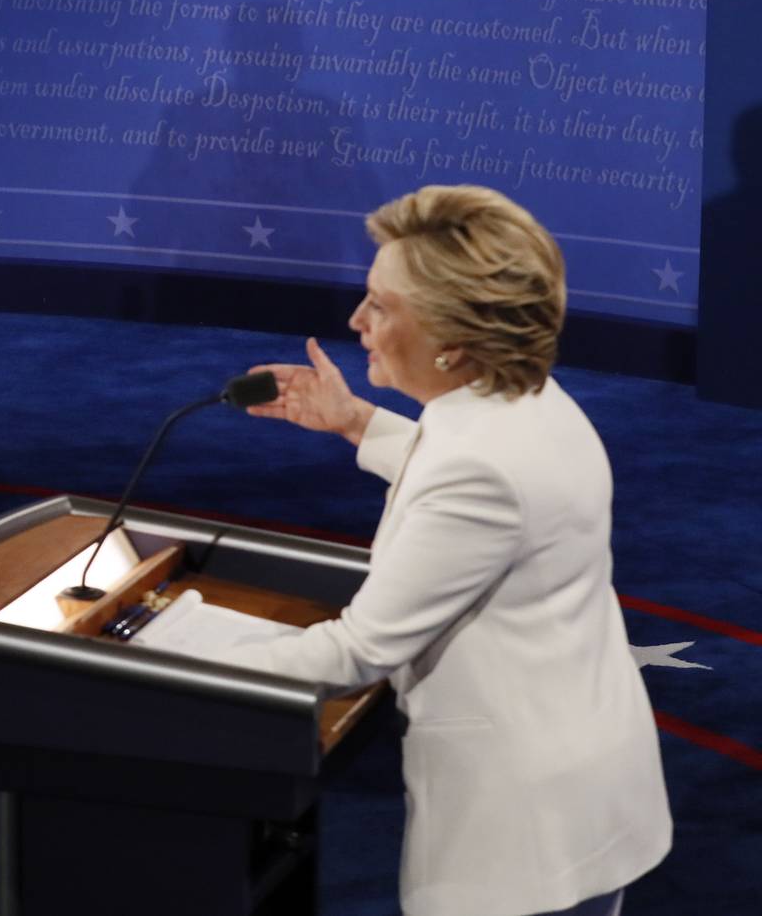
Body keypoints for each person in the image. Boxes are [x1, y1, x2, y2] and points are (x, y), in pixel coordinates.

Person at [140, 185, 671, 916]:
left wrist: (145, 663)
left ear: (452, 341)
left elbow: (358, 651)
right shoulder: (535, 399)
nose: (356, 321)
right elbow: (489, 488)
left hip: (521, 838)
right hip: (585, 787)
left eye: (381, 306)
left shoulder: (473, 469)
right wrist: (358, 422)